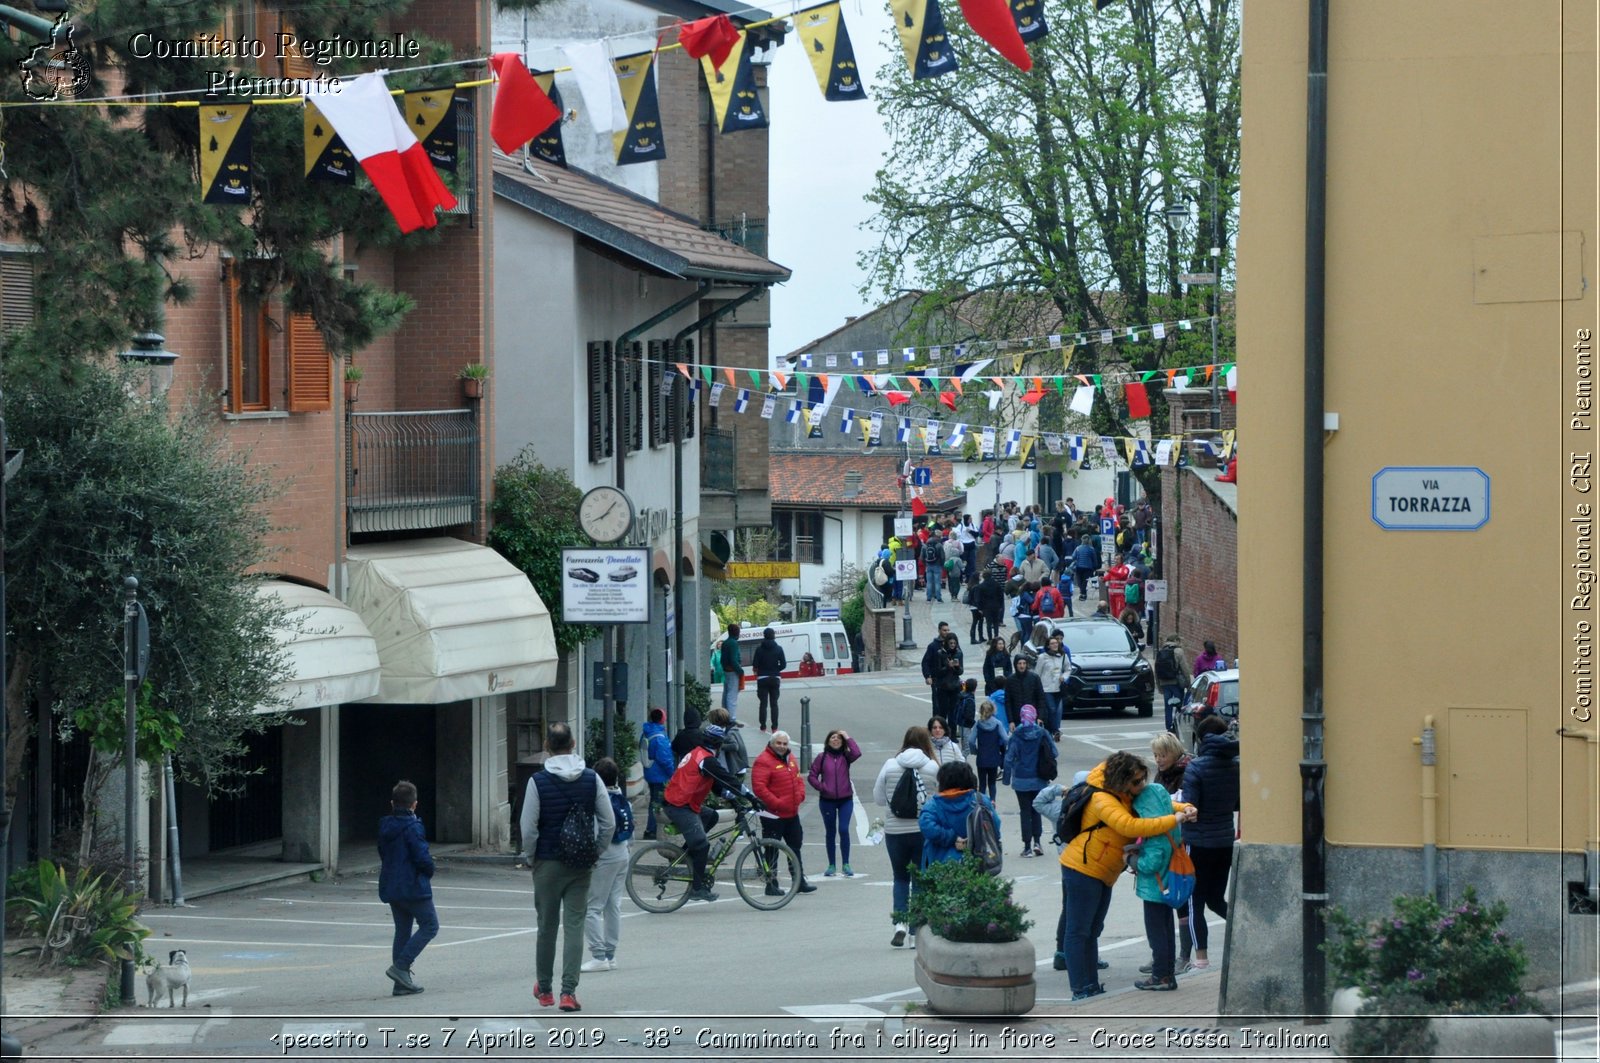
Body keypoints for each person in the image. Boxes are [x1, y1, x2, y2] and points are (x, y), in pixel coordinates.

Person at [1058, 751, 1195, 1001]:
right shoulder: (1102, 798)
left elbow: (1154, 804)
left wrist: (1184, 808)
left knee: (1092, 929)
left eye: (1143, 778)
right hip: (1082, 868)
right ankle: (1081, 988)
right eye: (1136, 782)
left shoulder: (1125, 793)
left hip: (1104, 871)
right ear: (1121, 779)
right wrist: (1172, 820)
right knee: (1079, 931)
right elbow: (1128, 826)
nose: (1141, 786)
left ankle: (1091, 986)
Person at [519, 722, 615, 1013]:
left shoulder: (538, 781)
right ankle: (568, 993)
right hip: (580, 863)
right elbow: (608, 822)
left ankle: (545, 989)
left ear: (548, 746)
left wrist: (531, 856)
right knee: (574, 925)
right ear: (573, 744)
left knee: (546, 926)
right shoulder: (592, 778)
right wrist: (595, 851)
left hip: (547, 861)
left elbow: (528, 826)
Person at [661, 707, 744, 903]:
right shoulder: (707, 760)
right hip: (679, 804)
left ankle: (688, 850)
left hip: (683, 801)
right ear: (718, 743)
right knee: (702, 844)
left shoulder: (701, 754)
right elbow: (727, 779)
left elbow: (717, 786)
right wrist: (751, 797)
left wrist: (734, 801)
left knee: (711, 816)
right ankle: (696, 888)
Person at [872, 726, 941, 947]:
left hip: (895, 830)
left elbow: (879, 798)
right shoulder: (932, 767)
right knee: (920, 879)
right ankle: (915, 932)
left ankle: (899, 923)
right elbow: (939, 798)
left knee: (900, 877)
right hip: (921, 830)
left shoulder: (891, 765)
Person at [1181, 715, 1240, 970]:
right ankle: (1242, 928)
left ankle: (1201, 957)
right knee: (1216, 898)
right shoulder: (1236, 765)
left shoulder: (1196, 767)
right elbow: (1238, 802)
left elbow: (1189, 806)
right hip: (1225, 840)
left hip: (1198, 841)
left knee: (1195, 900)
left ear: (1202, 738)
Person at [377, 779, 436, 996]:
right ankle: (401, 967)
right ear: (415, 804)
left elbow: (382, 852)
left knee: (402, 929)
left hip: (392, 884)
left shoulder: (385, 826)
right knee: (430, 925)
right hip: (413, 885)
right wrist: (429, 870)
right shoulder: (413, 827)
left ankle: (401, 983)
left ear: (392, 803)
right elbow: (422, 857)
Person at [1131, 776, 1183, 991]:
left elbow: (1150, 864)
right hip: (1168, 885)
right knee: (1167, 930)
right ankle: (1168, 974)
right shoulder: (1170, 825)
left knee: (1157, 934)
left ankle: (1160, 975)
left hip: (1154, 888)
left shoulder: (1155, 835)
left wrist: (1131, 859)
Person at [581, 757, 633, 974]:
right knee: (613, 905)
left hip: (606, 856)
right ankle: (610, 954)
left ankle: (598, 955)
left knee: (591, 907)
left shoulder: (598, 802)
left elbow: (598, 831)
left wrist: (593, 855)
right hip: (623, 854)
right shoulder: (622, 798)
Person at [751, 731, 817, 894]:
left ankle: (799, 881)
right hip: (773, 814)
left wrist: (801, 795)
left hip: (791, 813)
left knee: (795, 847)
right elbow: (759, 788)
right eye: (779, 743)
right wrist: (777, 802)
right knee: (772, 849)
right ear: (772, 743)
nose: (782, 746)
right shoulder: (763, 761)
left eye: (784, 744)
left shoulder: (791, 759)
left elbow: (798, 779)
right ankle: (771, 884)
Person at [1150, 731, 1195, 972]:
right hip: (1164, 840)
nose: (1158, 759)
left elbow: (1182, 804)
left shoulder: (1186, 772)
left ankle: (1184, 955)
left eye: (1163, 754)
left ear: (1174, 752)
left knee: (1180, 898)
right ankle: (1162, 954)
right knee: (1163, 897)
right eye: (1156, 755)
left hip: (1181, 842)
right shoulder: (1162, 774)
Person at [918, 760, 1000, 867]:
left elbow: (927, 826)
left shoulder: (934, 804)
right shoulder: (981, 801)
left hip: (939, 864)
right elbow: (995, 827)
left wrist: (952, 837)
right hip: (977, 862)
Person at [1002, 705, 1057, 857]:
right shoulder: (1042, 733)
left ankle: (1027, 847)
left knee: (1025, 811)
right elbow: (1054, 752)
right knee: (1036, 810)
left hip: (1020, 780)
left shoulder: (1016, 735)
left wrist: (1007, 778)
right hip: (1039, 778)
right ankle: (1038, 843)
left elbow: (1008, 758)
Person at [807, 729, 862, 877]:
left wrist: (847, 737)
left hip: (845, 799)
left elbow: (857, 753)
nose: (836, 740)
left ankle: (846, 863)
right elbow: (812, 776)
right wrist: (821, 787)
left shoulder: (846, 756)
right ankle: (831, 864)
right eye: (833, 738)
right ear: (828, 741)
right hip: (827, 801)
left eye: (838, 738)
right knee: (830, 832)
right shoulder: (822, 757)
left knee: (844, 829)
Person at [640, 708, 675, 840]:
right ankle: (652, 829)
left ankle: (651, 828)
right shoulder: (660, 737)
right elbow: (665, 759)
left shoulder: (647, 732)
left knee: (654, 801)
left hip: (650, 772)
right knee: (658, 803)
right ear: (662, 719)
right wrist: (672, 774)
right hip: (660, 774)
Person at [966, 699, 1008, 801]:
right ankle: (993, 801)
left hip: (981, 757)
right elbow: (1006, 739)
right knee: (992, 783)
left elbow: (971, 740)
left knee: (982, 784)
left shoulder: (978, 724)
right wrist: (1002, 748)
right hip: (994, 757)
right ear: (993, 711)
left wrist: (974, 751)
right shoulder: (997, 724)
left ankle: (982, 804)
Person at [751, 627, 787, 732]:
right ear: (773, 635)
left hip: (762, 678)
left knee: (763, 703)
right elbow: (784, 664)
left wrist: (761, 671)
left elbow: (755, 664)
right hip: (775, 678)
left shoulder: (759, 649)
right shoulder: (779, 648)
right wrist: (776, 669)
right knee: (774, 703)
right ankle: (774, 727)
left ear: (764, 636)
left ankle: (763, 726)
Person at [1035, 633, 1069, 737]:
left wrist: (1064, 676)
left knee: (1054, 711)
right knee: (1051, 708)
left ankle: (1050, 730)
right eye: (1052, 643)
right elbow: (1037, 673)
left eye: (1056, 643)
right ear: (1048, 645)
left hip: (1058, 687)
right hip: (1046, 688)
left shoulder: (1063, 656)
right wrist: (1037, 687)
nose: (1055, 645)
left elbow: (1068, 669)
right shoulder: (1042, 657)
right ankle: (1054, 730)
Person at [1155, 635, 1189, 734]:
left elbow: (1157, 670)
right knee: (1180, 705)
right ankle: (1178, 724)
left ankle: (1169, 727)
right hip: (1176, 682)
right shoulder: (1179, 651)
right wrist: (1188, 683)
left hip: (1165, 683)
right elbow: (1185, 669)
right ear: (1176, 640)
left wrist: (1159, 685)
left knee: (1168, 706)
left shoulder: (1160, 652)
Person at [1003, 654, 1046, 728]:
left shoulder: (1034, 678)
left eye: (1024, 663)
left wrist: (1040, 717)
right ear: (1016, 665)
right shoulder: (1010, 680)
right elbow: (1008, 702)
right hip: (1017, 718)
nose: (1022, 666)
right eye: (1019, 663)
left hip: (1032, 717)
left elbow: (1041, 698)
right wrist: (1011, 721)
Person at [930, 634, 965, 724]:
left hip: (954, 686)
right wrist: (948, 667)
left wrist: (957, 667)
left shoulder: (959, 653)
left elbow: (960, 671)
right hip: (943, 686)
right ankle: (943, 733)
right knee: (943, 712)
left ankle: (952, 734)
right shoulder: (940, 653)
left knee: (953, 712)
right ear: (946, 643)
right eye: (951, 643)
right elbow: (937, 672)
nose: (953, 645)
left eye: (954, 643)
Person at [719, 624, 743, 716]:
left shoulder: (725, 643)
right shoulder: (733, 643)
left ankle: (724, 715)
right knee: (732, 695)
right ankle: (731, 718)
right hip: (733, 671)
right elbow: (733, 660)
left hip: (726, 671)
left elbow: (722, 659)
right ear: (736, 632)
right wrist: (740, 671)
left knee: (726, 694)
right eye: (738, 632)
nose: (739, 634)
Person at [1071, 536, 1099, 601]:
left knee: (1080, 581)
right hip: (1088, 567)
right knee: (1085, 581)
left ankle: (1082, 592)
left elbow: (1073, 556)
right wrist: (1095, 566)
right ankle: (1083, 593)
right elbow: (1094, 559)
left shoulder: (1077, 548)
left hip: (1078, 567)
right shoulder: (1091, 549)